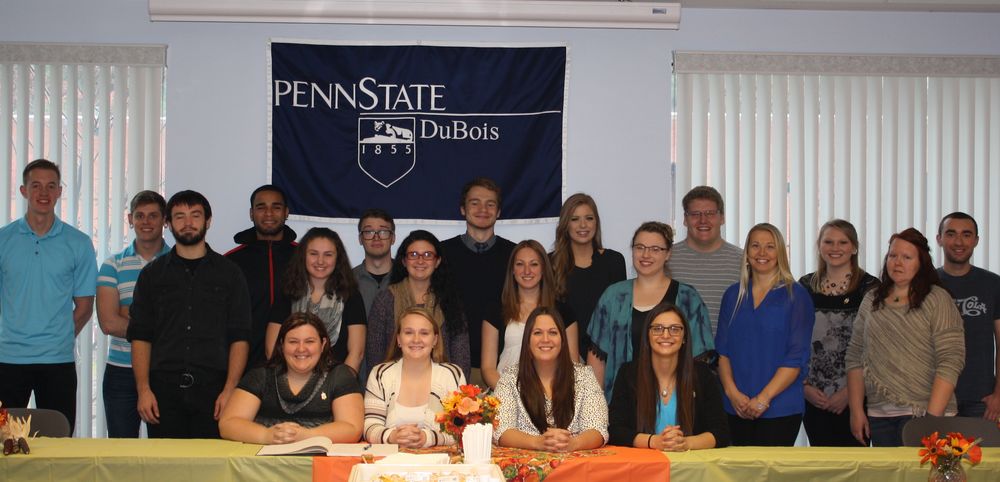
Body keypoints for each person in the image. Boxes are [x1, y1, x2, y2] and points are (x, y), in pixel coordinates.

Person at [127, 190, 252, 438]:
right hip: (162, 392)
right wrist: (143, 390)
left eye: (195, 215)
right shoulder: (152, 275)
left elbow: (240, 336)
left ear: (208, 221)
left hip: (214, 392)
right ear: (168, 223)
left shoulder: (230, 274)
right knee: (165, 470)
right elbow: (141, 336)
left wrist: (230, 390)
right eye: (180, 216)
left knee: (212, 471)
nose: (188, 223)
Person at [0, 159, 97, 434]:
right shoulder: (3, 240)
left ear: (59, 192)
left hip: (57, 361)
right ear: (23, 190)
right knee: (3, 443)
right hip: (8, 360)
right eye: (36, 186)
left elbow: (85, 306)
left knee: (58, 441)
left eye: (51, 186)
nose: (44, 193)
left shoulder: (78, 243)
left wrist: (60, 335)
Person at [846, 228, 966, 447]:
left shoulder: (938, 299)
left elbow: (951, 359)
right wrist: (856, 411)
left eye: (907, 257)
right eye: (893, 256)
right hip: (879, 416)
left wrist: (931, 419)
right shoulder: (872, 299)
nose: (897, 262)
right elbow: (854, 356)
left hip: (927, 415)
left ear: (921, 263)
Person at [587, 221, 713, 401]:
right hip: (621, 404)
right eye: (640, 247)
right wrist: (596, 407)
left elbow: (699, 361)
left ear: (668, 253)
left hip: (673, 404)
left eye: (655, 249)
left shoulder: (688, 298)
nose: (646, 254)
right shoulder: (613, 296)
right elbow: (596, 360)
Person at [715, 223, 814, 446]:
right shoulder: (733, 295)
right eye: (755, 246)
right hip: (735, 407)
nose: (762, 253)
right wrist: (732, 394)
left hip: (780, 407)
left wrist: (763, 399)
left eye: (770, 247)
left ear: (780, 252)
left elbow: (796, 358)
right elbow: (723, 353)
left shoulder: (796, 296)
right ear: (747, 252)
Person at [219, 312, 364, 444]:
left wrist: (307, 436)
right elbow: (228, 423)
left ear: (323, 344)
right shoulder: (261, 375)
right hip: (263, 466)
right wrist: (267, 436)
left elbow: (352, 428)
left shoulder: (340, 375)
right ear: (282, 345)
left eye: (309, 341)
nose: (301, 349)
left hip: (319, 464)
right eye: (293, 342)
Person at [97, 190, 171, 438]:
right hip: (121, 371)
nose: (146, 222)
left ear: (164, 220)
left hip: (164, 371)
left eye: (153, 216)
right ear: (130, 219)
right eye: (139, 216)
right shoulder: (113, 264)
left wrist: (129, 312)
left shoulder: (179, 264)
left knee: (165, 453)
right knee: (120, 452)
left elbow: (183, 319)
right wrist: (158, 324)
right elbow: (108, 322)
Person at [798, 220, 878, 446]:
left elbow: (876, 346)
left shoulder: (870, 288)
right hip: (813, 397)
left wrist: (850, 394)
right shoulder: (804, 286)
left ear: (854, 248)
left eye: (843, 242)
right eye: (829, 242)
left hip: (855, 396)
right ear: (819, 246)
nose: (835, 248)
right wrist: (804, 388)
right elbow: (794, 339)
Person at [609, 303, 730, 450]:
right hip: (643, 467)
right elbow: (615, 430)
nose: (666, 335)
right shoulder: (628, 374)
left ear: (684, 337)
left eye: (674, 329)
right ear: (647, 335)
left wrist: (685, 443)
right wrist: (654, 442)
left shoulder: (702, 375)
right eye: (657, 329)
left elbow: (721, 432)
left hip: (691, 467)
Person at [494, 307, 608, 452]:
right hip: (526, 469)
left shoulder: (584, 376)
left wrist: (572, 444)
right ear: (527, 341)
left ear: (563, 340)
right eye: (537, 333)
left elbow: (598, 429)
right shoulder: (510, 378)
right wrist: (538, 443)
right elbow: (501, 431)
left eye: (553, 333)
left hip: (574, 468)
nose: (545, 339)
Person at [441, 178, 516, 385]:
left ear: (498, 211)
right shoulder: (442, 254)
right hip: (452, 367)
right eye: (475, 203)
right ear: (463, 209)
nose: (483, 209)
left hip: (504, 368)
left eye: (490, 204)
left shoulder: (515, 256)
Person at [367, 230, 471, 379]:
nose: (420, 261)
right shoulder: (385, 300)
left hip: (443, 390)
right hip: (394, 388)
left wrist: (458, 395)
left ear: (438, 261)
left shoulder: (450, 300)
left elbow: (462, 357)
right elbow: (374, 355)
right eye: (413, 255)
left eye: (428, 255)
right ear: (404, 261)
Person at [266, 228, 366, 375]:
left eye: (328, 255)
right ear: (303, 256)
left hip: (337, 386)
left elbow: (356, 354)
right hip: (290, 382)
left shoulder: (351, 296)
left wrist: (339, 388)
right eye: (313, 254)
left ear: (337, 258)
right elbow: (271, 349)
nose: (320, 261)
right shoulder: (287, 293)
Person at [482, 240, 579, 389]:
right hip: (506, 396)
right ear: (512, 270)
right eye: (520, 264)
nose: (527, 271)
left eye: (534, 264)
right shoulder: (495, 311)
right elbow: (488, 369)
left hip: (553, 397)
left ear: (544, 269)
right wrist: (511, 394)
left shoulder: (564, 313)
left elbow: (573, 366)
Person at [364, 307, 466, 447]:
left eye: (424, 333)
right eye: (408, 332)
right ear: (399, 339)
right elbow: (370, 427)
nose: (416, 339)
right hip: (389, 463)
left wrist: (427, 438)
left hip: (439, 464)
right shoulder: (380, 374)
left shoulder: (452, 374)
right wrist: (393, 437)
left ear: (435, 340)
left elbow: (463, 429)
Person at [225, 185, 298, 370]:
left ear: (286, 212)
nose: (268, 213)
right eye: (261, 207)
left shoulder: (305, 258)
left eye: (276, 207)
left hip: (296, 364)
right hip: (244, 368)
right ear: (251, 213)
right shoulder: (230, 262)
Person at [936, 212, 1000, 420]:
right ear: (940, 239)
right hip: (934, 395)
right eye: (951, 234)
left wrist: (998, 394)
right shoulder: (927, 285)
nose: (958, 242)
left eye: (966, 234)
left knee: (982, 454)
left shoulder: (993, 284)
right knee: (933, 453)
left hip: (982, 399)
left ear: (976, 240)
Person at [550, 193, 626, 360]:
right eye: (575, 219)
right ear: (565, 225)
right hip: (562, 356)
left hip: (606, 356)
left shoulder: (614, 261)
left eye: (589, 218)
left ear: (596, 222)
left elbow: (620, 317)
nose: (583, 225)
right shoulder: (550, 263)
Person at [667, 186, 743, 335]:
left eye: (710, 213)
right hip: (678, 355)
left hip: (728, 356)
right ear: (685, 219)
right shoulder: (666, 259)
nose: (703, 220)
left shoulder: (743, 261)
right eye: (695, 214)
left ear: (722, 218)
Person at [353, 208, 396, 315]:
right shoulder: (347, 280)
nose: (376, 237)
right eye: (369, 232)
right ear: (360, 239)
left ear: (393, 238)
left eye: (383, 232)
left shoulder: (407, 278)